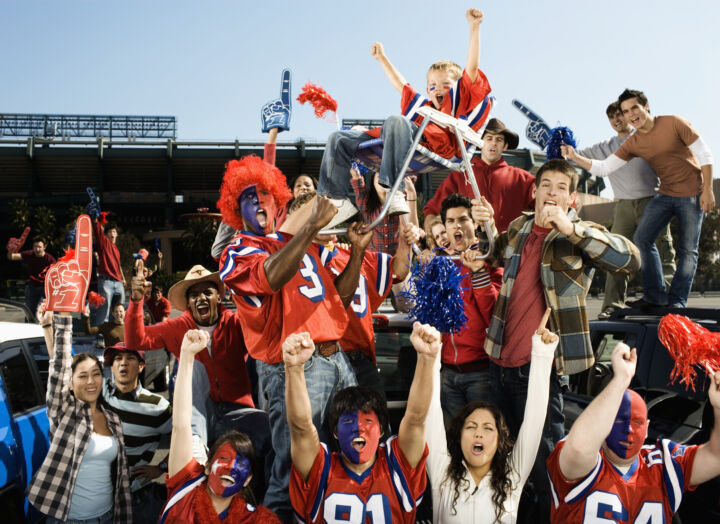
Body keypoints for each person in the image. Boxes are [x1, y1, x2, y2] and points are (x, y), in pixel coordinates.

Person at [473, 158, 641, 521]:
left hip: (541, 372)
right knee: (500, 466)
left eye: (560, 188)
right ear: (534, 192)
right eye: (545, 184)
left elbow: (630, 260)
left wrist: (570, 229)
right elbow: (495, 251)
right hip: (497, 365)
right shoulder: (519, 227)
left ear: (572, 198)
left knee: (547, 468)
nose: (551, 192)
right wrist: (485, 222)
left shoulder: (580, 233)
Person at [217, 156, 363, 520]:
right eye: (248, 197)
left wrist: (357, 251)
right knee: (292, 474)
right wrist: (311, 226)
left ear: (277, 200)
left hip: (337, 359)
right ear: (236, 211)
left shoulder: (300, 242)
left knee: (342, 464)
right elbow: (270, 277)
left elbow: (338, 300)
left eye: (265, 193)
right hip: (293, 368)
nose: (259, 201)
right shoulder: (238, 249)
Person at [317, 8, 493, 228]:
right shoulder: (424, 106)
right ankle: (335, 201)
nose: (438, 89)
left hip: (441, 146)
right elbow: (401, 84)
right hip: (404, 142)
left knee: (395, 120)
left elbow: (472, 67)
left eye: (445, 85)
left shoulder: (459, 100)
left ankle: (394, 190)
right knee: (338, 139)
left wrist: (474, 27)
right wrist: (382, 58)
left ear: (456, 87)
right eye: (432, 86)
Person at [563, 88, 715, 308]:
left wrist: (708, 189)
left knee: (687, 249)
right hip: (665, 194)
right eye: (625, 111)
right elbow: (605, 168)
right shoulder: (633, 143)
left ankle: (677, 300)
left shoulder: (673, 122)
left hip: (692, 194)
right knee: (643, 239)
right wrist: (574, 156)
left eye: (634, 107)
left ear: (646, 107)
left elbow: (705, 154)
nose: (630, 114)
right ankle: (655, 296)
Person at [285, 321, 440, 523]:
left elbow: (416, 418)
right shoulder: (320, 469)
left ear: (382, 429)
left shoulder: (397, 466)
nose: (359, 427)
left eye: (368, 420)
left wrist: (427, 359)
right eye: (348, 421)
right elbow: (300, 428)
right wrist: (294, 368)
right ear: (335, 432)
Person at [547, 342, 720, 522]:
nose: (628, 429)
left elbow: (716, 456)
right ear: (605, 425)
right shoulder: (585, 465)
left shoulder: (664, 465)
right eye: (619, 421)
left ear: (646, 429)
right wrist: (621, 380)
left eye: (637, 422)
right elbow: (579, 448)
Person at [426, 310, 558, 523]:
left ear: (499, 440)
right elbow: (429, 413)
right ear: (459, 437)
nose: (479, 433)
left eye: (488, 428)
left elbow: (534, 421)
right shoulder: (443, 475)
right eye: (470, 427)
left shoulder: (512, 477)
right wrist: (430, 360)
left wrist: (542, 356)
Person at [126, 263, 260, 465]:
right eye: (194, 295)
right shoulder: (177, 327)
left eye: (207, 292)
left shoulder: (236, 323)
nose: (201, 298)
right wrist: (136, 301)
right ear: (188, 303)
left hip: (236, 412)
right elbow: (137, 340)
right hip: (199, 416)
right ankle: (195, 445)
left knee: (267, 427)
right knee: (192, 364)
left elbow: (265, 332)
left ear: (219, 297)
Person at [160, 329, 279, 523]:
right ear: (206, 467)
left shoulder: (254, 519)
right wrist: (187, 355)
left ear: (248, 480)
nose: (231, 467)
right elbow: (181, 424)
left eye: (241, 464)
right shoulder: (185, 487)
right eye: (224, 458)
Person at [27, 307, 132, 523]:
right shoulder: (66, 413)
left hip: (108, 516)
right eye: (82, 376)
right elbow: (59, 365)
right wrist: (63, 318)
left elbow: (120, 477)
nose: (91, 381)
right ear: (71, 385)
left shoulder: (113, 419)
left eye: (96, 374)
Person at [575, 101, 676, 318]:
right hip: (623, 206)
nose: (616, 120)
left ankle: (669, 299)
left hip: (652, 202)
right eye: (611, 117)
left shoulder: (646, 137)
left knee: (662, 249)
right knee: (616, 254)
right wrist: (559, 144)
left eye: (619, 115)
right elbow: (576, 154)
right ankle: (613, 305)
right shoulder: (605, 147)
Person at [436, 193, 501, 426]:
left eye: (463, 219)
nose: (457, 226)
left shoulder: (491, 256)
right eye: (451, 221)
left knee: (482, 439)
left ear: (474, 223)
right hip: (447, 372)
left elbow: (494, 316)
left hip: (481, 371)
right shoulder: (441, 263)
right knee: (453, 441)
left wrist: (478, 272)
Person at [424, 118, 535, 237]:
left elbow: (546, 201)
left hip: (510, 249)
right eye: (489, 138)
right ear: (479, 142)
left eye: (499, 139)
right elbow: (433, 211)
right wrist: (431, 242)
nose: (493, 143)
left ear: (505, 146)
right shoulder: (461, 174)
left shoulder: (521, 178)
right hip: (471, 251)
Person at [102, 343, 172, 524]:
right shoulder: (100, 393)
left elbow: (187, 441)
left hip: (135, 498)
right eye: (117, 359)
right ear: (111, 367)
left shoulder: (157, 407)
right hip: (97, 498)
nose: (123, 363)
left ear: (141, 366)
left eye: (130, 358)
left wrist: (161, 468)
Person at [349, 162, 420, 254]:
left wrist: (410, 191)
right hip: (373, 260)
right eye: (379, 175)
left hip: (395, 261)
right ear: (373, 182)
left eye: (385, 177)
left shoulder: (400, 204)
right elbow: (358, 184)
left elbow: (411, 226)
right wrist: (356, 170)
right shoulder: (366, 204)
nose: (382, 178)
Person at [6, 235, 56, 315]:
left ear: (44, 247)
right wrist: (11, 250)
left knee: (45, 311)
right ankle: (29, 324)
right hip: (32, 286)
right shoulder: (29, 254)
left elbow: (55, 276)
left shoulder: (50, 259)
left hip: (45, 287)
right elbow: (11, 257)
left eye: (39, 247)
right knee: (29, 311)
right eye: (35, 247)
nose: (37, 249)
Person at [92, 219, 126, 325]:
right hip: (106, 282)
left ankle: (117, 339)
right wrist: (95, 220)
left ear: (117, 234)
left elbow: (118, 265)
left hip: (119, 282)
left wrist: (123, 278)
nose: (112, 234)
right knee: (104, 314)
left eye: (114, 232)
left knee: (119, 314)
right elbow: (98, 232)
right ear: (106, 235)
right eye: (110, 232)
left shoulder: (116, 249)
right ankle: (101, 339)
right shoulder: (104, 243)